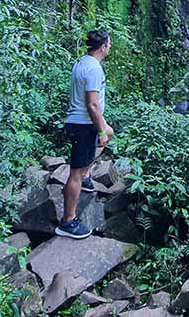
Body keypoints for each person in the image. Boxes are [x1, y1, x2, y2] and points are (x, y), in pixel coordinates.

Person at [55, 29, 114, 239]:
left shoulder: (81, 62)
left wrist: (104, 130)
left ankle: (87, 174)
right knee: (75, 174)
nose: (110, 47)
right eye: (109, 44)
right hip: (84, 124)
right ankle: (68, 221)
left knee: (110, 132)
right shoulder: (94, 69)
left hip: (77, 121)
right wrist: (99, 130)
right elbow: (92, 104)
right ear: (103, 46)